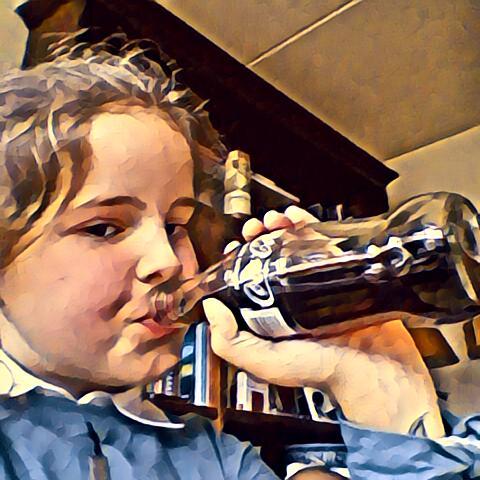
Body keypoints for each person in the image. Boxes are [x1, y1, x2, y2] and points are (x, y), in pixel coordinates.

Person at [0, 34, 477, 479]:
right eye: (104, 227)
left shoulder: (217, 458)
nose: (169, 260)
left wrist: (376, 379)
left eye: (176, 226)